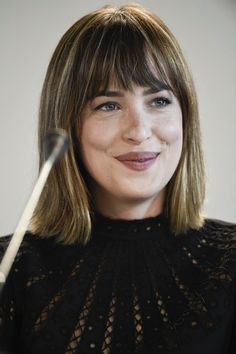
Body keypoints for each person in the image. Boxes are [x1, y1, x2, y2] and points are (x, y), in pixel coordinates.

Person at [0, 4, 235, 354]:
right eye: (108, 105)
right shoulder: (11, 272)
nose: (139, 131)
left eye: (159, 100)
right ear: (66, 126)